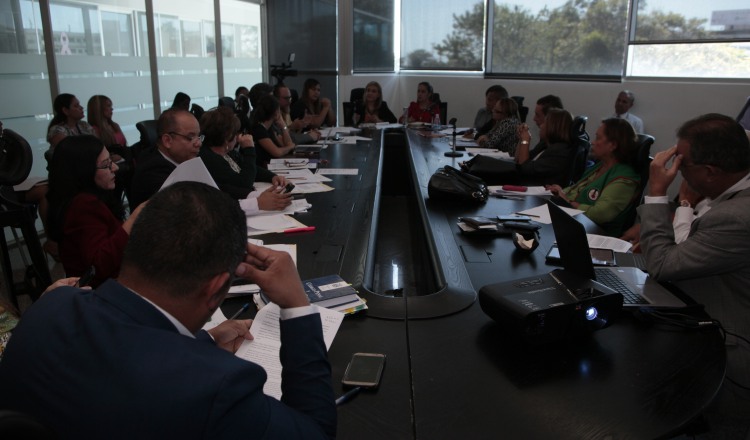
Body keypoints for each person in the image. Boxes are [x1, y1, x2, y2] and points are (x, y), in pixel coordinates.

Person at [0, 181, 337, 438]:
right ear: (216, 287)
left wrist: (201, 343)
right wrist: (295, 305)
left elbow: (119, 365)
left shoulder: (50, 307)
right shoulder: (215, 387)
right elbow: (315, 432)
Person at [638, 113, 750, 437]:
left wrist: (658, 191)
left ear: (711, 172)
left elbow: (661, 264)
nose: (676, 171)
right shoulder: (728, 197)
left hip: (731, 359)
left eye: (682, 164)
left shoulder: (735, 217)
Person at [46, 135, 145, 286]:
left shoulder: (83, 199)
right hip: (104, 292)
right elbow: (98, 265)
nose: (115, 168)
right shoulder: (84, 205)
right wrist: (133, 220)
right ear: (84, 171)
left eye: (111, 162)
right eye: (106, 165)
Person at [546, 118, 641, 236]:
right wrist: (560, 192)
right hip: (575, 223)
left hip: (595, 233)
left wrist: (567, 201)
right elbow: (576, 190)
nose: (593, 142)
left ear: (613, 145)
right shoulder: (601, 166)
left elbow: (600, 214)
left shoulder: (625, 178)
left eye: (598, 138)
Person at [198, 106, 292, 212]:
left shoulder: (227, 152)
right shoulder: (210, 159)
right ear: (227, 138)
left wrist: (272, 177)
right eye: (236, 133)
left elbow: (249, 168)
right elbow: (244, 184)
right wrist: (249, 149)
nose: (238, 137)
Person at [129, 108, 202, 210]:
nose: (198, 143)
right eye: (190, 137)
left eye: (198, 136)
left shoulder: (181, 159)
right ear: (167, 140)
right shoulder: (152, 173)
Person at [513, 108, 575, 186]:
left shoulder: (559, 151)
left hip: (535, 191)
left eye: (544, 123)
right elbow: (518, 159)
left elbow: (523, 168)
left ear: (553, 127)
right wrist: (522, 139)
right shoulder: (544, 144)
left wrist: (525, 140)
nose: (541, 126)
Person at [251, 95, 296, 168]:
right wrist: (291, 147)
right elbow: (277, 152)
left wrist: (283, 126)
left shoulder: (269, 128)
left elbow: (286, 144)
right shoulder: (258, 129)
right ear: (276, 112)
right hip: (260, 169)